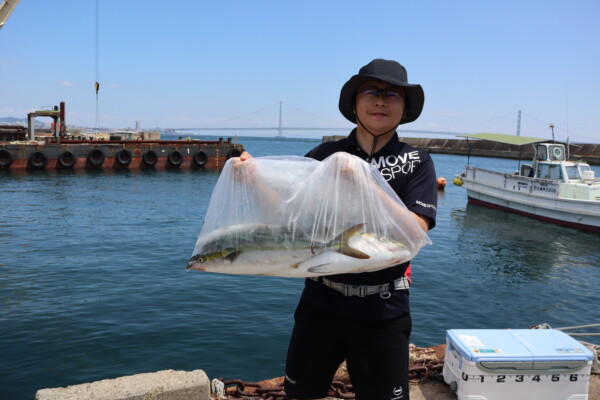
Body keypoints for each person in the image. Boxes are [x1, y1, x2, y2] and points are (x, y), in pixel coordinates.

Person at [283, 59, 437, 400]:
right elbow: (288, 213)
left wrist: (367, 186)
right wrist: (249, 177)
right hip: (320, 301)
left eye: (392, 94)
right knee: (300, 395)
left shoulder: (417, 162)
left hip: (384, 308)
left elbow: (415, 232)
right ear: (354, 103)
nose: (381, 100)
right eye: (372, 91)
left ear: (404, 107)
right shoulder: (326, 155)